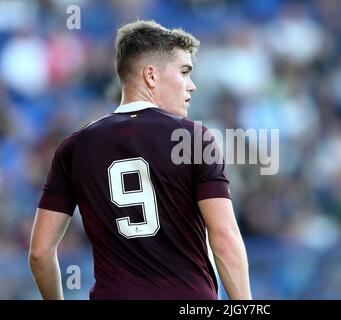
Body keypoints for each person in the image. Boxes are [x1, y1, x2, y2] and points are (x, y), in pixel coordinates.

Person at [29, 20, 252, 300]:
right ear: (151, 76)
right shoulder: (193, 137)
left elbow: (39, 253)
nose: (192, 86)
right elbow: (224, 237)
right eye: (184, 72)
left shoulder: (73, 147)